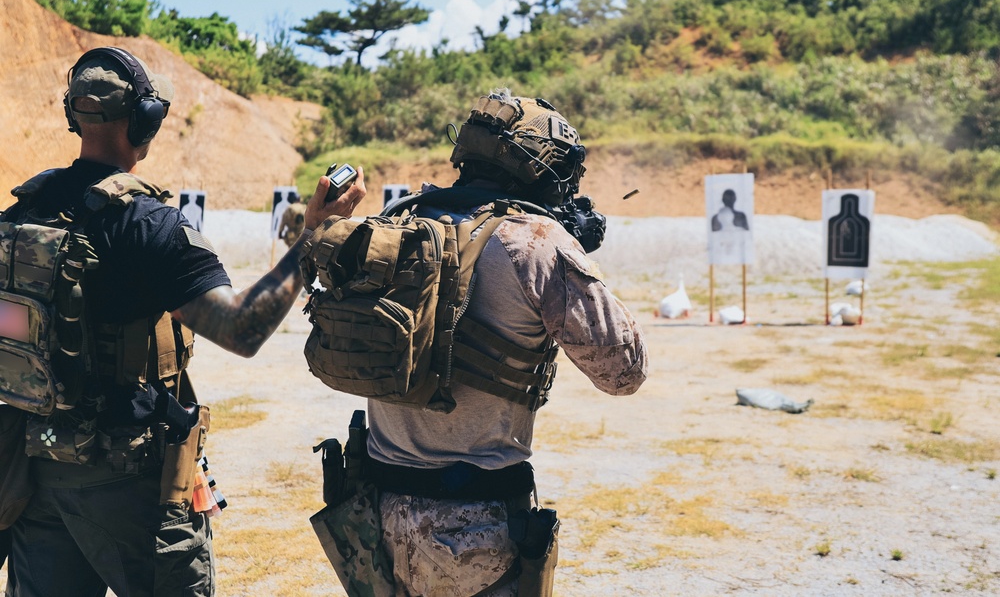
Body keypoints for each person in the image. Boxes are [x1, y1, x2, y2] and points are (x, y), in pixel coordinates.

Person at [0, 46, 365, 597]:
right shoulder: (151, 225)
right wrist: (311, 237)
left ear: (75, 115)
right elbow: (242, 328)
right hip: (127, 481)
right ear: (145, 120)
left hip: (33, 469)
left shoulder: (24, 211)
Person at [347, 91, 647, 596]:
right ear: (538, 170)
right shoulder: (535, 240)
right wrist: (569, 252)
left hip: (372, 515)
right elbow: (624, 371)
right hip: (475, 528)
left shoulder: (396, 222)